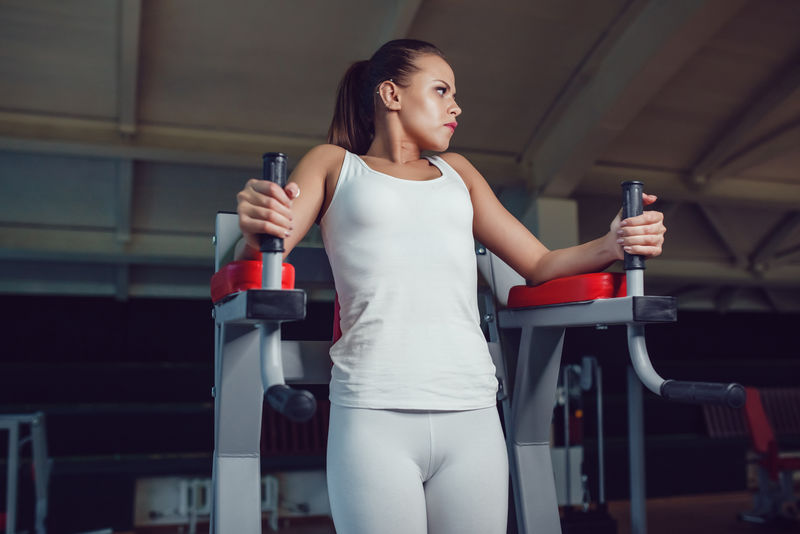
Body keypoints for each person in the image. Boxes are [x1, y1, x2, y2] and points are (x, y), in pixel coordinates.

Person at [236, 39, 665, 534]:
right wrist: (257, 226)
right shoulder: (334, 164)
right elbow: (270, 249)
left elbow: (542, 263)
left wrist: (614, 242)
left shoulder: (457, 172)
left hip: (474, 410)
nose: (456, 106)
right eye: (441, 90)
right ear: (391, 94)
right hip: (375, 411)